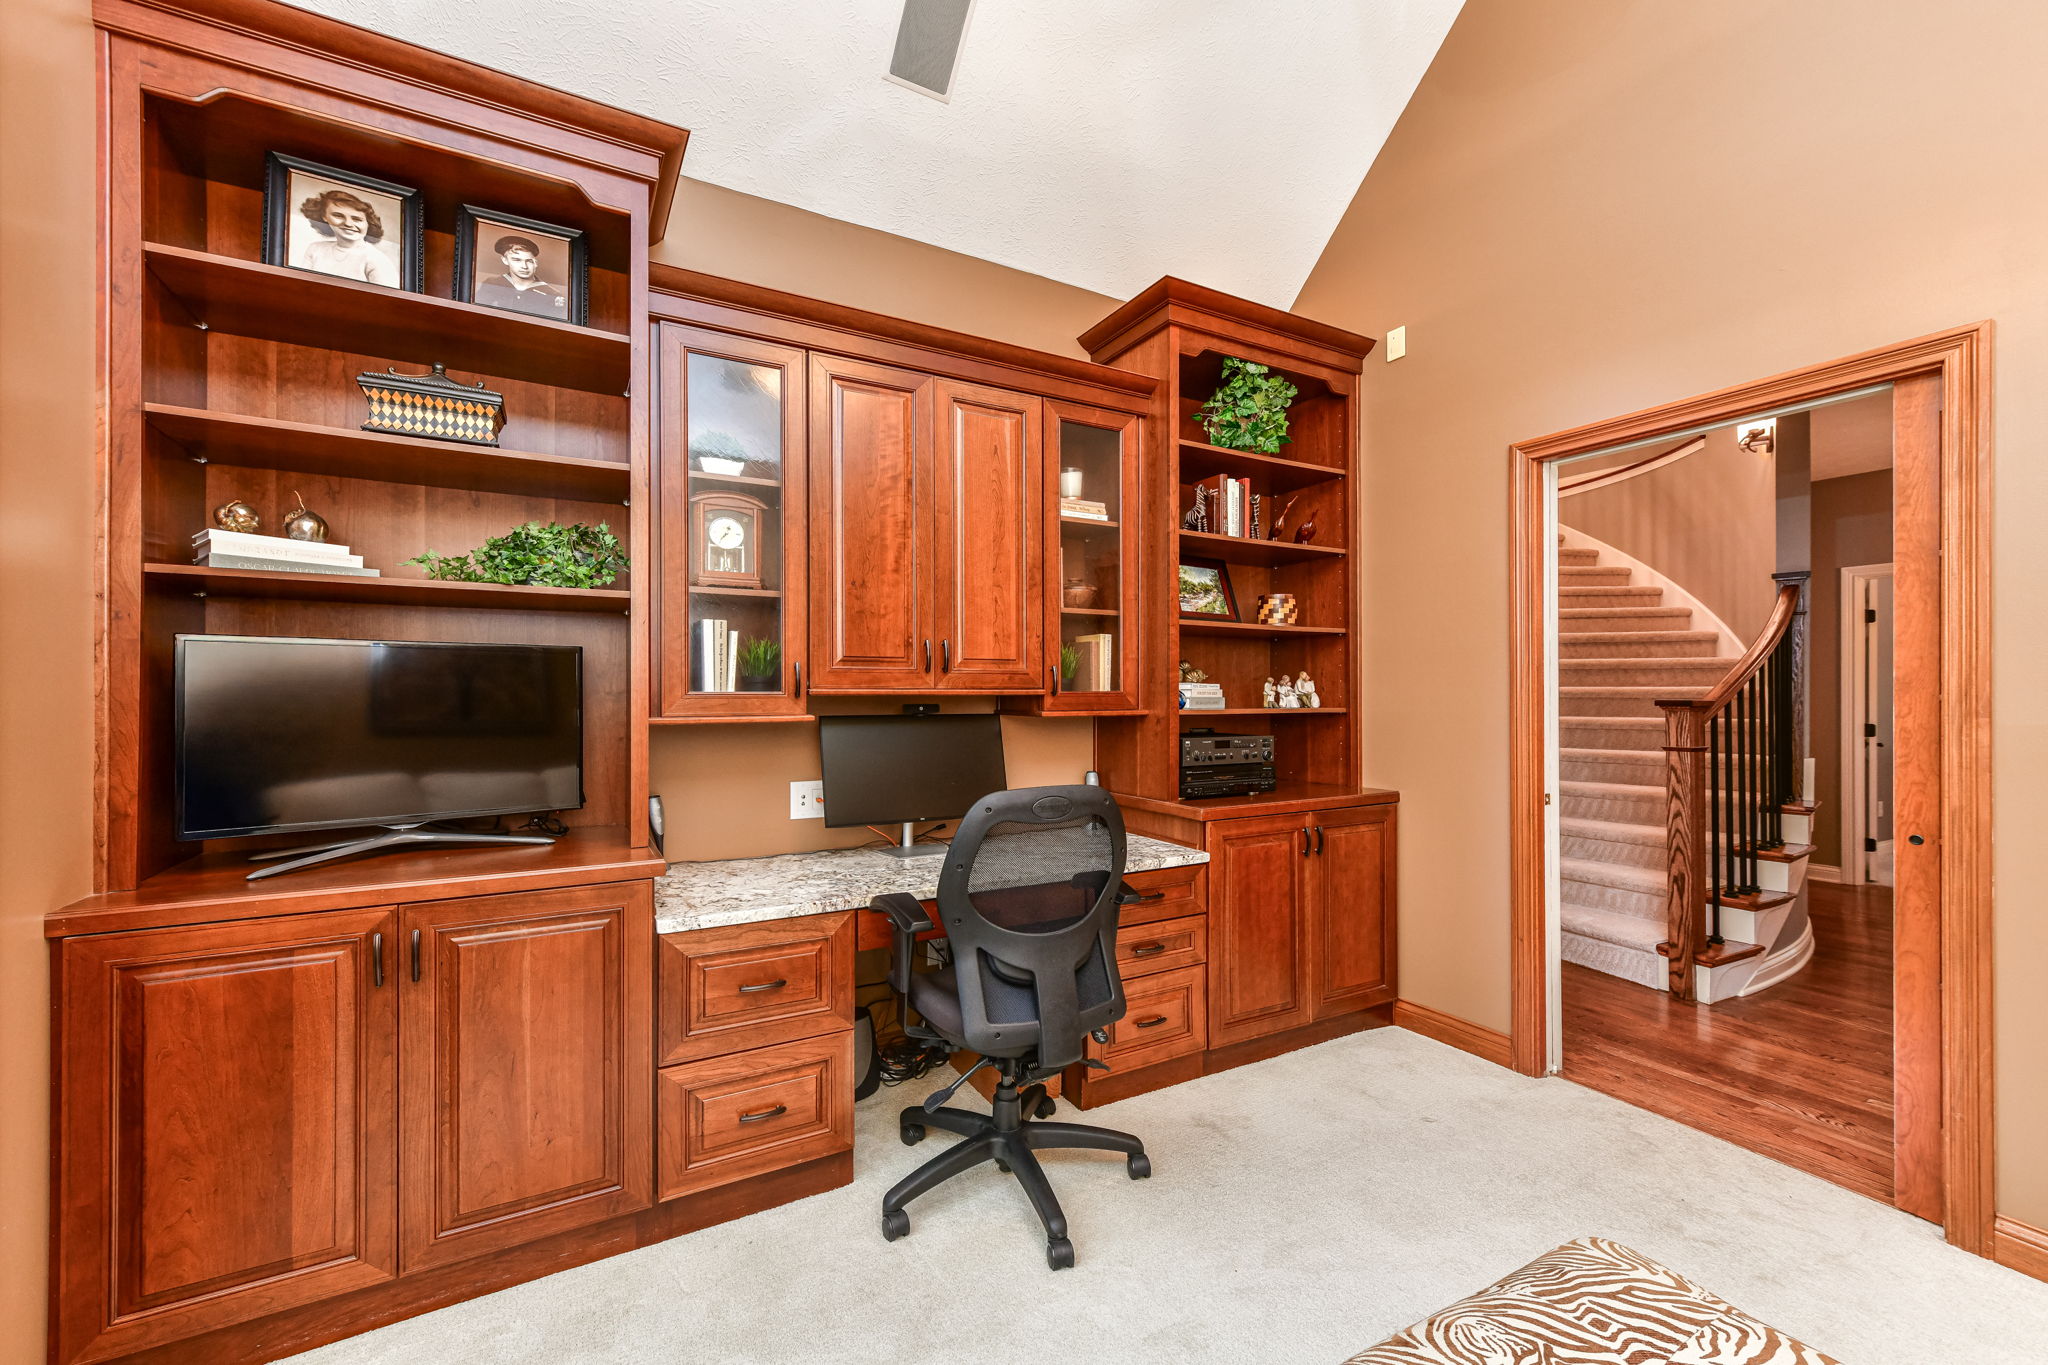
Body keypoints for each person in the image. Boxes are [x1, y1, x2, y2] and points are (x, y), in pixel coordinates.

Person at [293, 187, 399, 285]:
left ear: (367, 223)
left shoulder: (375, 259)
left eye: (357, 219)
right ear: (324, 217)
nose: (348, 223)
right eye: (338, 215)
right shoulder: (315, 249)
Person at [474, 233, 569, 318]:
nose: (524, 266)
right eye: (517, 260)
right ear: (505, 260)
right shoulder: (492, 284)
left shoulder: (552, 295)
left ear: (535, 263)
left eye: (528, 261)